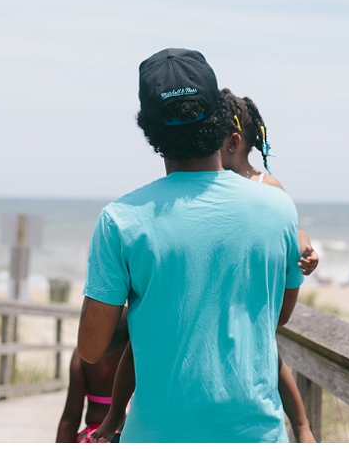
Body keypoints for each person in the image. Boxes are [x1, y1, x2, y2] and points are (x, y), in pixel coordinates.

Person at [77, 48, 304, 442]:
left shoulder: (120, 220)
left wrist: (146, 309)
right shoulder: (278, 208)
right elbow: (278, 315)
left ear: (148, 129)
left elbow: (92, 348)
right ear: (219, 116)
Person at [55, 344, 126, 442]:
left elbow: (71, 419)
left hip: (94, 438)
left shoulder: (83, 353)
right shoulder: (140, 352)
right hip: (132, 435)